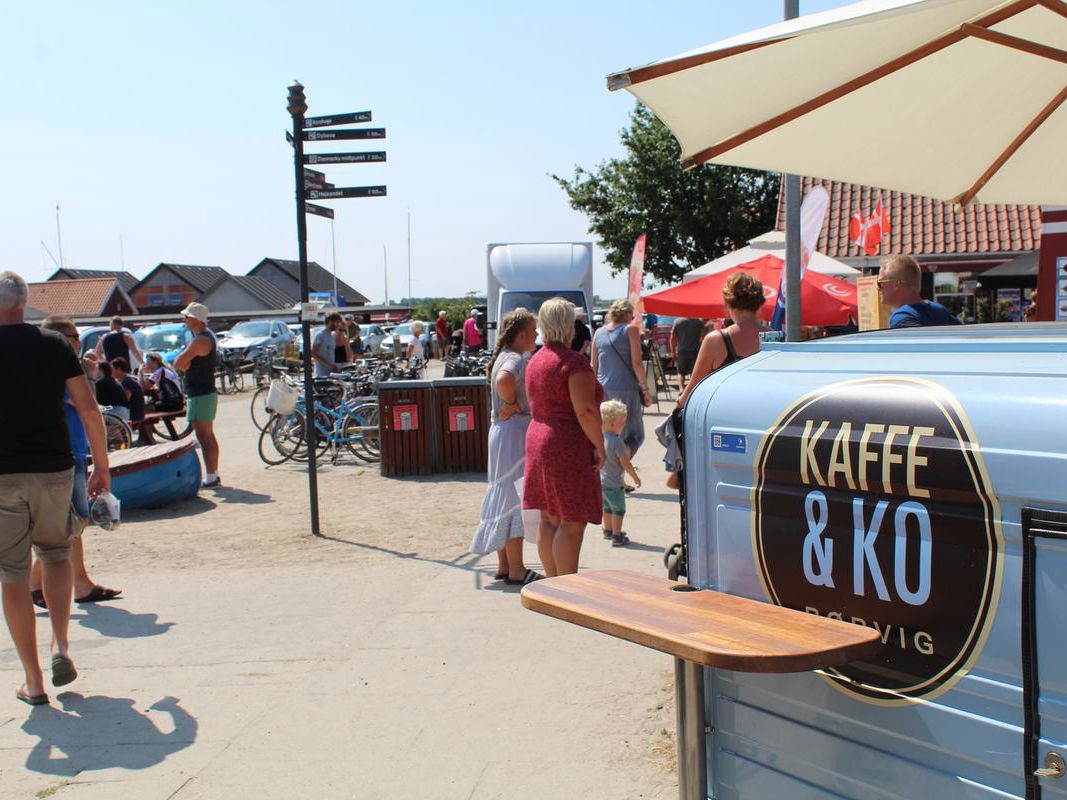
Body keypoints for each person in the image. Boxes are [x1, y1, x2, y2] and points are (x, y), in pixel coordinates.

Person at [0, 271, 110, 706]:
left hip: (2, 475)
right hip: (53, 468)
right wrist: (102, 466)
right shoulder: (53, 345)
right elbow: (88, 408)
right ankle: (61, 645)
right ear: (25, 304)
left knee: (12, 573)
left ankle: (34, 680)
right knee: (57, 554)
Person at [29, 317, 122, 611]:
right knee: (75, 523)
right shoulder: (61, 370)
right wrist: (90, 375)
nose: (79, 340)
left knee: (73, 525)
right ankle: (36, 582)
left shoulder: (45, 367)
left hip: (67, 454)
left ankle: (80, 583)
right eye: (74, 335)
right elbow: (88, 407)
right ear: (62, 339)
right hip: (66, 456)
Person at [523, 298, 604, 577]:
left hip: (538, 438)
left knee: (548, 517)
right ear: (569, 324)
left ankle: (552, 581)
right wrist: (599, 445)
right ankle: (567, 584)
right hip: (566, 442)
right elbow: (585, 411)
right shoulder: (573, 362)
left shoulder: (536, 360)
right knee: (572, 519)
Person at [470, 308, 543, 585]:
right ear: (522, 334)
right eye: (534, 332)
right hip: (514, 432)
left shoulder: (504, 355)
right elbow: (504, 379)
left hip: (501, 432)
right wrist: (513, 404)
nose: (536, 336)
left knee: (503, 493)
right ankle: (516, 569)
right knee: (514, 496)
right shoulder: (515, 358)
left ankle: (505, 566)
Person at [591, 299, 651, 466]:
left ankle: (609, 473)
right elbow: (637, 364)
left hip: (603, 389)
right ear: (626, 314)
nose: (632, 319)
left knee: (609, 433)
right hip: (626, 389)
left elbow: (593, 366)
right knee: (635, 434)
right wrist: (646, 391)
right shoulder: (630, 330)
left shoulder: (599, 332)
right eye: (632, 316)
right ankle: (617, 470)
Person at [173, 302, 220, 489]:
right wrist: (186, 363)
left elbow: (178, 362)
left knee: (205, 436)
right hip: (202, 392)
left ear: (195, 319)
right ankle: (213, 474)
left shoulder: (200, 340)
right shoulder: (202, 338)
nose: (184, 320)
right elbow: (182, 363)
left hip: (201, 393)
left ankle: (211, 476)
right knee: (206, 435)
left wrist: (186, 363)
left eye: (186, 317)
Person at [878, 254, 962, 328]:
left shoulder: (901, 317)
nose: (878, 288)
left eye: (880, 283)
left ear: (896, 284)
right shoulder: (940, 310)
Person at [599, 399, 640, 547]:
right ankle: (617, 536)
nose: (624, 425)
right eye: (621, 422)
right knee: (618, 509)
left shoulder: (600, 438)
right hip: (615, 483)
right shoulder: (617, 442)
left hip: (602, 482)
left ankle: (608, 530)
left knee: (607, 507)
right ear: (611, 423)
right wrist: (635, 477)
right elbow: (625, 463)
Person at [670, 317, 707, 392]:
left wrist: (673, 352)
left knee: (680, 372)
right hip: (695, 350)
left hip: (682, 351)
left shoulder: (678, 321)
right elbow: (704, 337)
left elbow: (672, 338)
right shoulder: (699, 321)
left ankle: (681, 389)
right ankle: (692, 390)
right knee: (693, 373)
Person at [110, 357, 145, 428]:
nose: (110, 371)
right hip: (136, 412)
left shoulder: (127, 382)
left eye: (112, 368)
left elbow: (124, 401)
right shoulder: (125, 380)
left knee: (107, 415)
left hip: (134, 414)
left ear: (119, 369)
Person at [312, 312, 345, 378]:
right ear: (330, 321)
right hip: (322, 374)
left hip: (332, 373)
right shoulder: (320, 335)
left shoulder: (332, 336)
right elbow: (313, 354)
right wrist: (329, 365)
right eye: (337, 322)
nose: (338, 325)